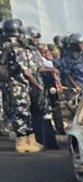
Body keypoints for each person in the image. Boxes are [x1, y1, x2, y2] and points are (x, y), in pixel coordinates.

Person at [3, 19, 43, 153]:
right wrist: (36, 84)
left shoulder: (11, 45)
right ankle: (21, 141)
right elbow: (23, 69)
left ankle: (29, 140)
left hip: (20, 83)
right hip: (17, 84)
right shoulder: (12, 46)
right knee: (20, 111)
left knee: (25, 110)